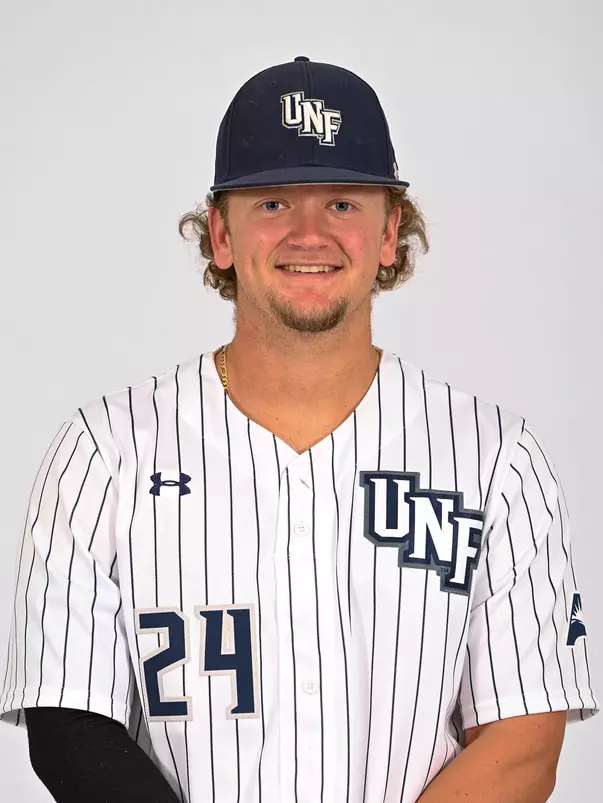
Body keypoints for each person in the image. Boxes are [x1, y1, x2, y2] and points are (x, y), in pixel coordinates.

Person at [0, 55, 598, 803]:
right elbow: (68, 725)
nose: (309, 232)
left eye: (343, 203)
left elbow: (522, 741)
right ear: (220, 233)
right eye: (273, 202)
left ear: (389, 233)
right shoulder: (104, 453)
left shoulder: (496, 461)